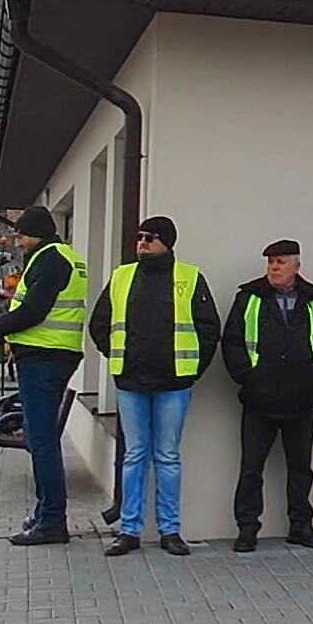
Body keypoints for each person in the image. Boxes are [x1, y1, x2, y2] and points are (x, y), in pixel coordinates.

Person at [90, 215, 217, 556]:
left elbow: (208, 329)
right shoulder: (122, 276)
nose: (142, 242)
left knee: (167, 457)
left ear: (167, 243)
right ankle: (129, 530)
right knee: (134, 456)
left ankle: (170, 530)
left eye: (150, 237)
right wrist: (120, 357)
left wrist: (191, 371)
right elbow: (99, 324)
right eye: (139, 236)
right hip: (131, 381)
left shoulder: (189, 277)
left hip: (173, 383)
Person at [0, 205, 84, 546]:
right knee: (42, 439)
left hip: (44, 358)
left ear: (36, 233)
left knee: (41, 441)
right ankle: (44, 513)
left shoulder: (50, 260)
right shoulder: (62, 256)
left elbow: (34, 311)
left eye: (21, 235)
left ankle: (51, 521)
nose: (18, 242)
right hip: (52, 356)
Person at [222, 240, 313, 552]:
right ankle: (247, 529)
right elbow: (232, 340)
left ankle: (301, 526)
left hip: (302, 399)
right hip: (259, 399)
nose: (274, 267)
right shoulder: (249, 298)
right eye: (270, 262)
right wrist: (247, 375)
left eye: (280, 262)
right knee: (251, 468)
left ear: (296, 266)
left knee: (301, 469)